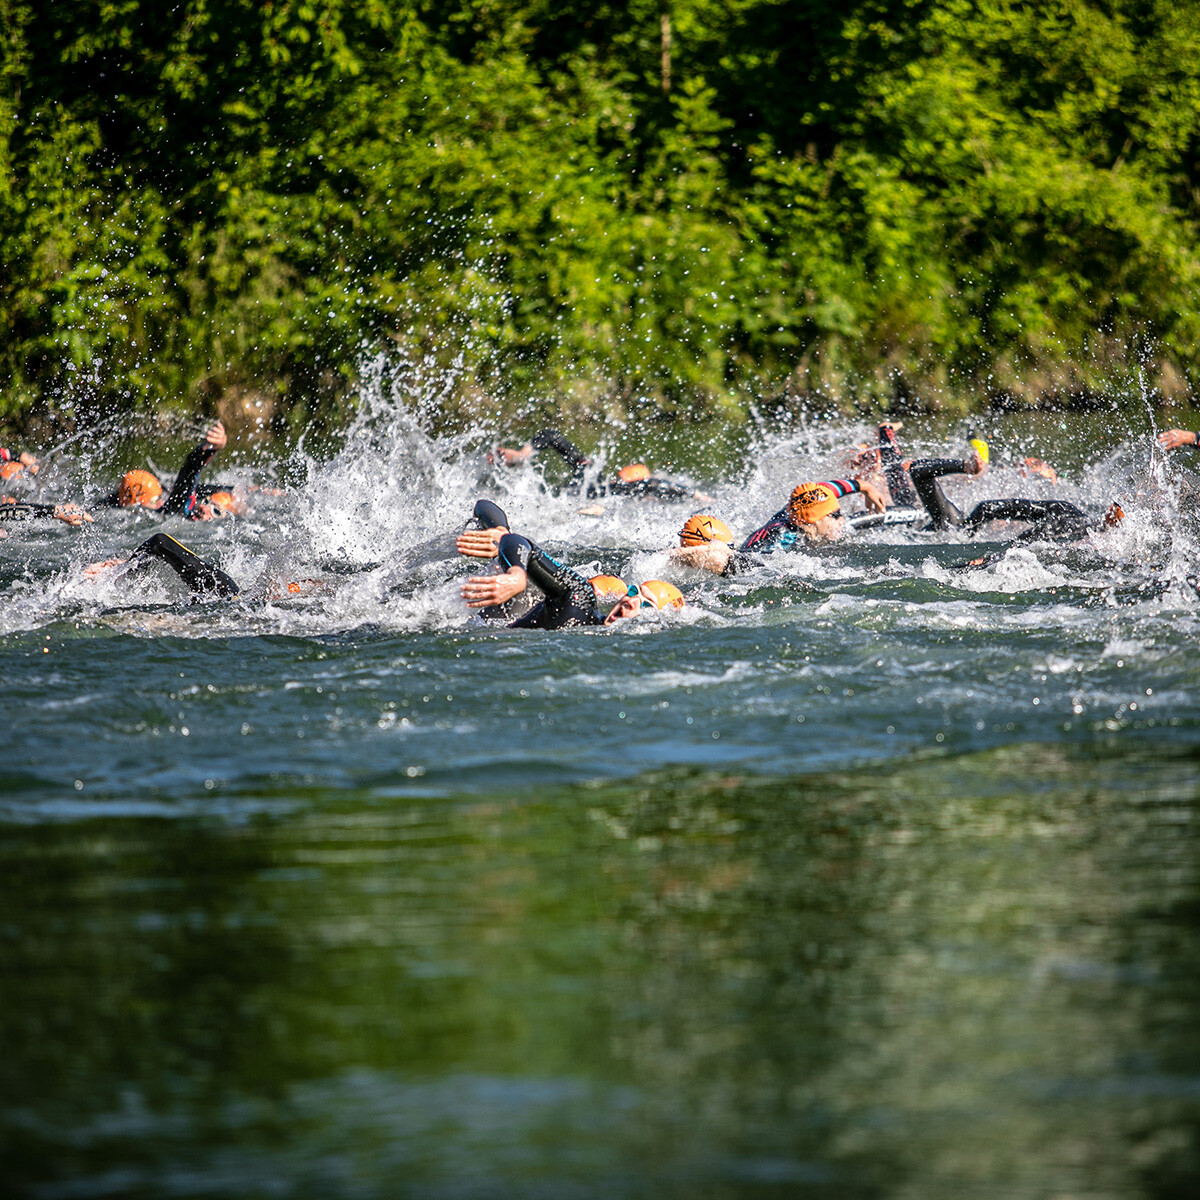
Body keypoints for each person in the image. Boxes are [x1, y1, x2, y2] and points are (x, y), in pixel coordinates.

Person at [462, 530, 685, 628]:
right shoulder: (579, 600)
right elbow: (517, 540)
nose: (631, 601)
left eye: (645, 605)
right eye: (635, 592)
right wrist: (517, 574)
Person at [491, 427, 713, 502]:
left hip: (557, 499)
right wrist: (697, 496)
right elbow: (654, 484)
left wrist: (523, 454)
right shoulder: (617, 491)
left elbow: (552, 436)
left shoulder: (588, 473)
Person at [104, 421, 231, 519]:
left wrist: (213, 447)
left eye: (159, 496)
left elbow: (189, 473)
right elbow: (189, 469)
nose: (160, 501)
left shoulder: (173, 504)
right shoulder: (167, 509)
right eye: (154, 500)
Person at [741, 477, 887, 551]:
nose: (842, 520)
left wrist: (865, 487)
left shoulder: (803, 505)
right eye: (835, 515)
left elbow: (826, 488)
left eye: (839, 513)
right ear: (810, 523)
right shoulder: (784, 540)